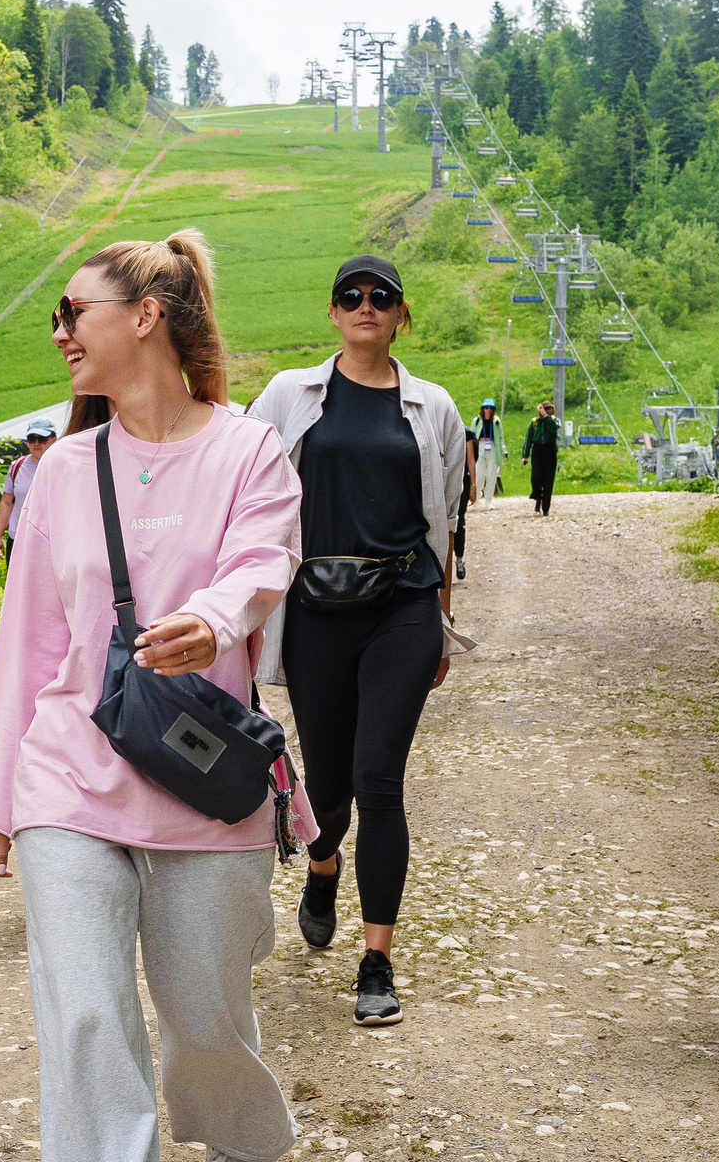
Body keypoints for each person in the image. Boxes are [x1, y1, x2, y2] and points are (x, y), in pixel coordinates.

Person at [0, 230, 303, 1162]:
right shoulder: (64, 470)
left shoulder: (251, 450)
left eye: (74, 312)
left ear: (146, 315)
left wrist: (213, 621)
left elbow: (263, 562)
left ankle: (245, 1146)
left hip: (201, 776)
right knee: (83, 1016)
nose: (60, 333)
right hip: (68, 778)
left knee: (208, 1025)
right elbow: (29, 642)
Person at [249, 254, 470, 1027]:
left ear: (402, 313)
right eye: (351, 295)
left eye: (382, 296)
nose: (366, 305)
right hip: (315, 610)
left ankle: (376, 962)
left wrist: (440, 622)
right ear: (333, 311)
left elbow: (444, 517)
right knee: (332, 786)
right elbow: (242, 484)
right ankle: (322, 865)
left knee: (379, 781)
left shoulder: (433, 408)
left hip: (402, 606)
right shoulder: (289, 395)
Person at [0, 416, 56, 561]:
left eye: (42, 439)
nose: (36, 443)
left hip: (49, 542)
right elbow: (6, 502)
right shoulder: (17, 466)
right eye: (31, 439)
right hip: (17, 539)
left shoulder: (61, 466)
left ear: (53, 439)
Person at [524, 400, 561, 514]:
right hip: (538, 450)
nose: (545, 411)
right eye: (544, 409)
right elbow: (528, 439)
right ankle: (538, 498)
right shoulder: (535, 422)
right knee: (536, 477)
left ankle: (546, 507)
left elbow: (553, 428)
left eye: (548, 409)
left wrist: (546, 417)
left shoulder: (554, 420)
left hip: (549, 450)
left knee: (548, 480)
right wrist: (525, 455)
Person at [472, 397, 505, 506]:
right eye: (486, 408)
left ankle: (488, 501)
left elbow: (501, 438)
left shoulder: (496, 422)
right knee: (479, 475)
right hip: (480, 448)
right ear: (483, 409)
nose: (488, 410)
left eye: (491, 408)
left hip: (493, 448)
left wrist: (504, 451)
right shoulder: (477, 421)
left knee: (492, 476)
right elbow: (471, 436)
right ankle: (476, 497)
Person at [454, 426, 475, 581]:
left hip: (462, 483)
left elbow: (470, 460)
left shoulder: (466, 434)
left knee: (459, 521)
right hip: (444, 481)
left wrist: (474, 485)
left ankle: (459, 559)